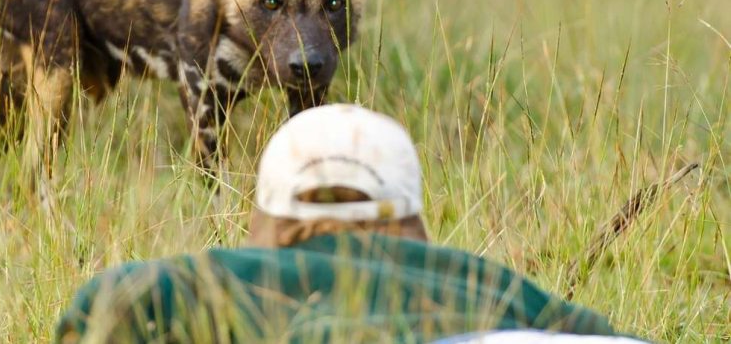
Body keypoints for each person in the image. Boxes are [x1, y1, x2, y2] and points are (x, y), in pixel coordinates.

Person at [56, 104, 645, 343]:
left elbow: (102, 316)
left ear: (267, 222)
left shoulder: (175, 288)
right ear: (412, 226)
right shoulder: (506, 294)